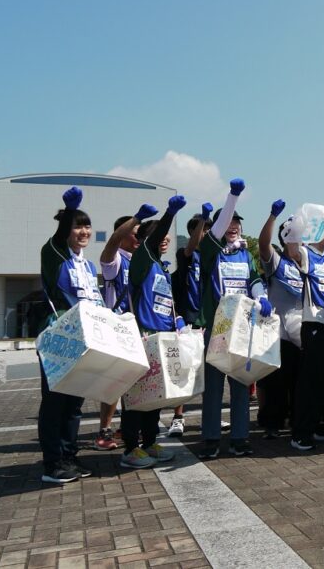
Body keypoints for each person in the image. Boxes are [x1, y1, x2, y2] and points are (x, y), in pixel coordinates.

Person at [194, 179, 272, 459]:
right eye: (229, 221)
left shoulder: (244, 254)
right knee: (213, 389)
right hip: (217, 328)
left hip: (241, 329)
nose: (234, 225)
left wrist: (262, 296)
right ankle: (211, 439)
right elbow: (217, 228)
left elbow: (253, 279)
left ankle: (240, 437)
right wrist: (233, 197)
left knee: (240, 384)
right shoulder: (210, 252)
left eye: (237, 222)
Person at [38, 186, 104, 483]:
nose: (83, 231)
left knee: (74, 403)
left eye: (87, 225)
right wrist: (69, 212)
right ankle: (52, 463)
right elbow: (59, 236)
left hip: (83, 340)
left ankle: (69, 456)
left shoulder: (88, 266)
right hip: (58, 339)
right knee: (54, 402)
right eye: (78, 225)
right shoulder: (54, 254)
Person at [121, 195, 187, 468]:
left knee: (155, 395)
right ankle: (130, 449)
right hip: (142, 337)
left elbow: (165, 304)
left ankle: (149, 443)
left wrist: (177, 321)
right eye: (158, 236)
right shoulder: (142, 261)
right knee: (136, 397)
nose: (164, 239)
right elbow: (153, 238)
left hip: (162, 339)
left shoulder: (161, 267)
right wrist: (169, 215)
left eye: (167, 237)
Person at [95, 207, 157, 451]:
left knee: (137, 382)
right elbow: (110, 244)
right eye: (135, 232)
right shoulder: (115, 260)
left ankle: (128, 427)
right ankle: (105, 429)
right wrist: (137, 218)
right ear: (121, 235)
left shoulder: (143, 261)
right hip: (118, 329)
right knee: (115, 381)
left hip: (140, 330)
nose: (139, 237)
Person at [286, 212, 324, 451]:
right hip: (314, 324)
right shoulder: (306, 252)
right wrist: (296, 226)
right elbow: (291, 250)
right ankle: (301, 431)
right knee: (311, 380)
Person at [256, 200, 304, 439]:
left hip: (302, 332)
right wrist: (273, 216)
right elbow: (263, 244)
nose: (300, 241)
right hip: (279, 334)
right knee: (277, 384)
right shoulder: (277, 261)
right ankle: (272, 424)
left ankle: (297, 421)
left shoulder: (307, 264)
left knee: (299, 384)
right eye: (295, 236)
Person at [167, 209, 213, 438]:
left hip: (209, 322)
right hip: (188, 321)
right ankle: (178, 417)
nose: (206, 233)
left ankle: (210, 416)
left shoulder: (212, 257)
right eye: (203, 229)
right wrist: (203, 219)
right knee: (184, 372)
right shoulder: (184, 254)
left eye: (208, 229)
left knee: (209, 371)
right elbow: (193, 246)